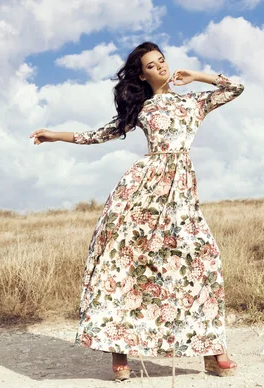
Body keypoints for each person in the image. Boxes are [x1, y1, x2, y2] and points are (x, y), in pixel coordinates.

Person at [29, 41, 244, 381]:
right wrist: (55, 136)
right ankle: (120, 354)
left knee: (205, 259)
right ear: (141, 76)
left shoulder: (193, 103)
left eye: (162, 61)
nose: (160, 67)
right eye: (150, 65)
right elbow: (99, 134)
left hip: (180, 193)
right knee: (125, 263)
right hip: (142, 191)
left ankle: (213, 354)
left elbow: (236, 88)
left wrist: (198, 76)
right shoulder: (142, 109)